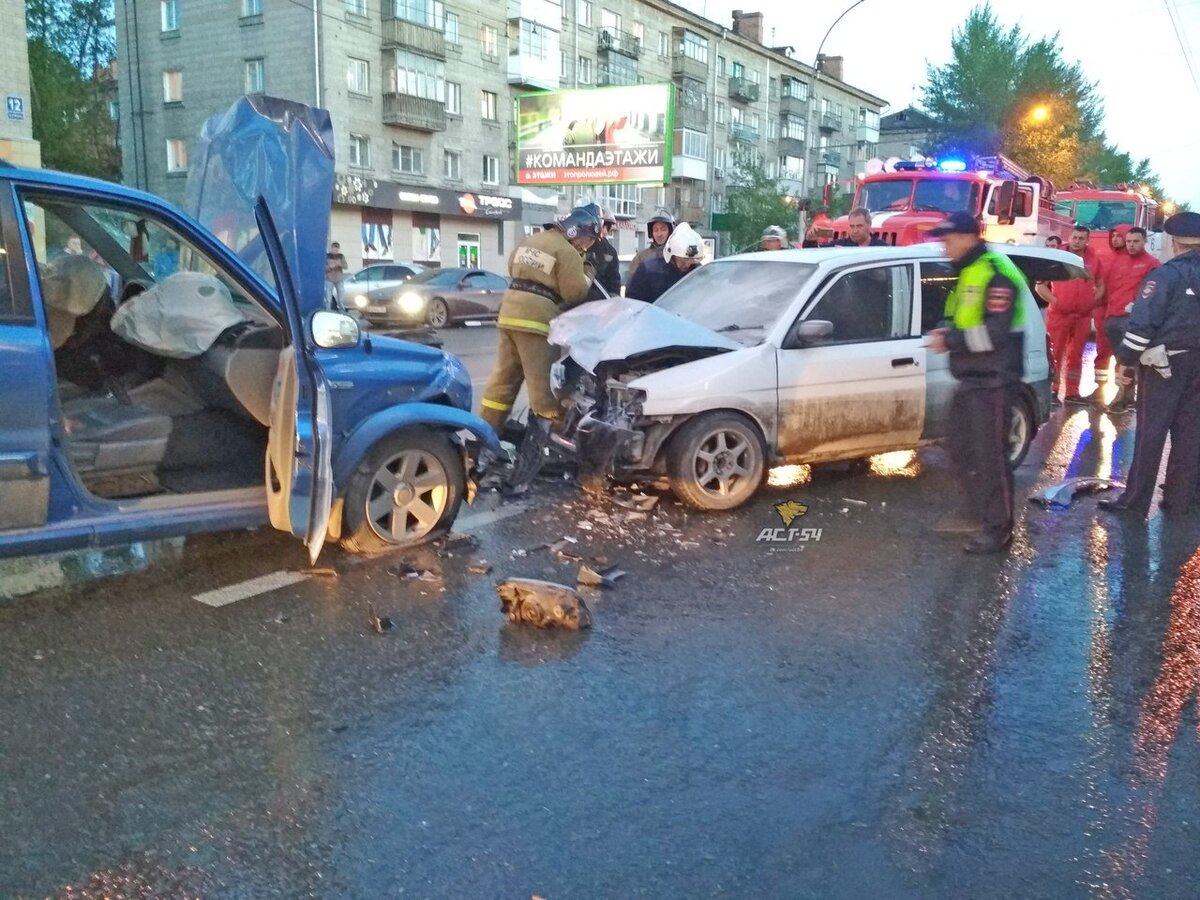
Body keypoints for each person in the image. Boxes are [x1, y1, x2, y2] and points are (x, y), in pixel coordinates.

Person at [478, 204, 601, 493]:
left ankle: (481, 450)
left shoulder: (530, 241)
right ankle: (538, 458)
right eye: (588, 239)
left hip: (508, 313)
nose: (586, 245)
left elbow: (512, 267)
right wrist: (588, 270)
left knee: (501, 385)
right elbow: (574, 292)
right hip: (536, 321)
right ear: (578, 230)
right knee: (542, 391)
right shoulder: (568, 252)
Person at [926, 211, 1028, 554]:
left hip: (993, 381)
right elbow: (959, 316)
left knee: (991, 458)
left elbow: (995, 334)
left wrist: (950, 340)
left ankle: (998, 529)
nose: (945, 247)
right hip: (970, 380)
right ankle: (981, 512)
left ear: (970, 237)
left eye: (949, 240)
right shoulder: (968, 272)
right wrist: (945, 328)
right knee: (960, 448)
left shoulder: (995, 273)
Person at [1098, 212, 1200, 517]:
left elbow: (1142, 326)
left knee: (1150, 434)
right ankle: (1180, 500)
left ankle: (1135, 502)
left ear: (1173, 242)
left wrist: (1125, 363)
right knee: (1190, 433)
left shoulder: (1165, 276)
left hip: (1164, 366)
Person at [1036, 224, 1103, 405]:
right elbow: (1040, 286)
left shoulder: (1094, 259)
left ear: (1087, 240)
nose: (1077, 241)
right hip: (1059, 315)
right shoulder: (1058, 257)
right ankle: (1052, 390)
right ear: (1070, 237)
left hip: (1082, 316)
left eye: (1081, 238)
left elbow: (1101, 284)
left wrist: (1091, 301)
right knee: (1054, 353)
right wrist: (1056, 302)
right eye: (1075, 237)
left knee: (1076, 355)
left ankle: (1072, 392)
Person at [1101, 226, 1161, 414]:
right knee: (1119, 359)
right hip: (1113, 316)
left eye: (1135, 242)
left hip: (1133, 319)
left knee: (1130, 359)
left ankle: (1123, 397)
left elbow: (1154, 293)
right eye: (1128, 242)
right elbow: (1107, 286)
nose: (1131, 245)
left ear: (1144, 242)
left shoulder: (1152, 264)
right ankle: (1126, 395)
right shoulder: (1118, 261)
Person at [1087, 225, 1129, 402]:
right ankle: (1100, 388)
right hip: (1102, 310)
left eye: (1120, 236)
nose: (1115, 239)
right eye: (1113, 236)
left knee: (1124, 355)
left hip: (1123, 314)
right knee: (1102, 351)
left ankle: (1124, 393)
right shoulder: (1104, 258)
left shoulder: (1137, 261)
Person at [625, 222, 704, 303]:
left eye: (692, 260)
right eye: (683, 261)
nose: (687, 265)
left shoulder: (699, 272)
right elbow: (633, 301)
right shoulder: (649, 270)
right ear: (671, 255)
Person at [626, 210, 674, 285]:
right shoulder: (642, 256)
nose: (659, 234)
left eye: (663, 229)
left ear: (670, 231)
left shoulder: (677, 256)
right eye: (655, 230)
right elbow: (633, 283)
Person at [585, 207, 622, 301]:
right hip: (577, 302)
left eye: (608, 227)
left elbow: (615, 282)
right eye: (603, 226)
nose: (605, 231)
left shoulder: (610, 251)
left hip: (601, 304)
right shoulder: (578, 244)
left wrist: (613, 302)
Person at [325, 241, 348, 310]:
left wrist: (339, 265)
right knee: (328, 299)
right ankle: (328, 311)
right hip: (329, 279)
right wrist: (329, 267)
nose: (335, 251)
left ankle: (343, 312)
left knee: (340, 300)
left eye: (337, 249)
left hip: (339, 279)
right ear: (331, 248)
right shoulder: (327, 256)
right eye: (334, 249)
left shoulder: (341, 256)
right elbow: (322, 267)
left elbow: (346, 266)